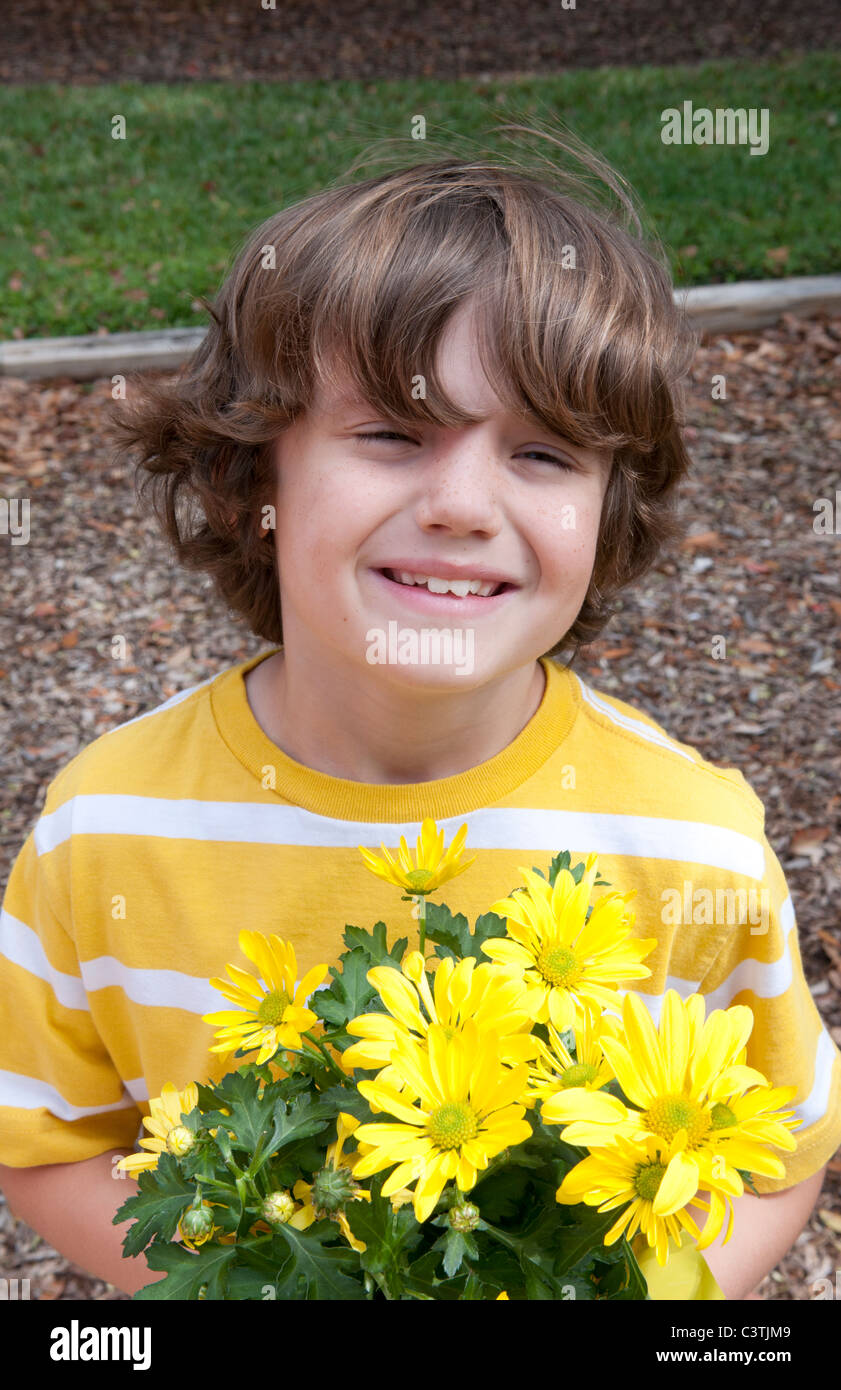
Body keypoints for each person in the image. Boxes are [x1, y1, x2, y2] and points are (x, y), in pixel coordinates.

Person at [1, 126, 838, 1300]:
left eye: (543, 454)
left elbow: (777, 1160)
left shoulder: (692, 843)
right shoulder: (102, 830)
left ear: (609, 512)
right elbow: (47, 1144)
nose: (460, 504)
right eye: (392, 433)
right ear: (258, 483)